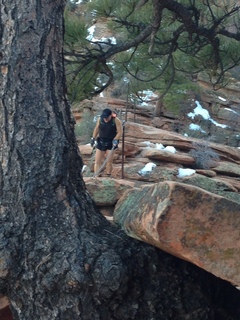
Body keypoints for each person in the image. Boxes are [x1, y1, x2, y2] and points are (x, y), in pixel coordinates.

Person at [91, 108, 123, 177]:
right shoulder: (100, 119)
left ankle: (108, 175)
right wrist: (93, 138)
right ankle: (96, 175)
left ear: (110, 116)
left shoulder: (116, 120)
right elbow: (97, 128)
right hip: (101, 141)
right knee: (97, 161)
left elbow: (120, 132)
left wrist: (116, 139)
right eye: (104, 117)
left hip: (111, 143)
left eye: (106, 118)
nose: (105, 119)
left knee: (109, 161)